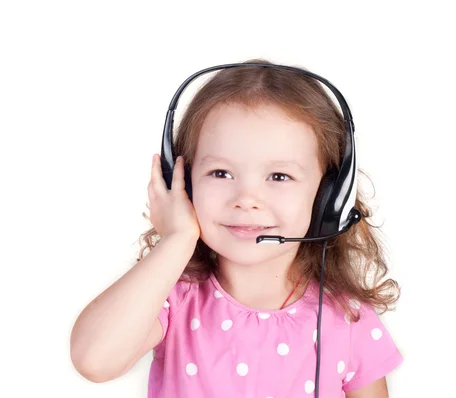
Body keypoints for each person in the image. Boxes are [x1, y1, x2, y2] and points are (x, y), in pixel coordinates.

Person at [70, 58, 403, 397]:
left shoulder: (347, 319)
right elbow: (94, 360)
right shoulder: (174, 298)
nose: (247, 199)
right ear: (183, 184)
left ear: (329, 197)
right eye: (220, 173)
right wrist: (177, 238)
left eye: (279, 176)